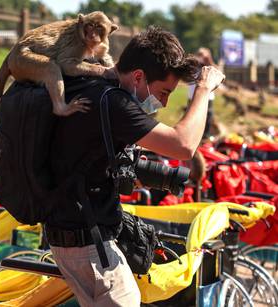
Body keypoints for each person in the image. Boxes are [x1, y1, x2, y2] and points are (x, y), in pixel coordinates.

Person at [44, 27, 225, 306]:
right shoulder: (114, 103)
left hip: (67, 235)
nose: (163, 103)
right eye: (164, 92)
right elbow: (183, 145)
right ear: (138, 76)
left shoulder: (93, 89)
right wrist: (202, 90)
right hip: (89, 246)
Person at [188, 47, 217, 138]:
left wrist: (209, 61)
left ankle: (206, 136)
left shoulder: (210, 67)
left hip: (207, 97)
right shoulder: (193, 66)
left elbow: (218, 73)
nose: (201, 57)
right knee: (192, 117)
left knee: (207, 117)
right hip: (192, 96)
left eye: (203, 55)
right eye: (199, 55)